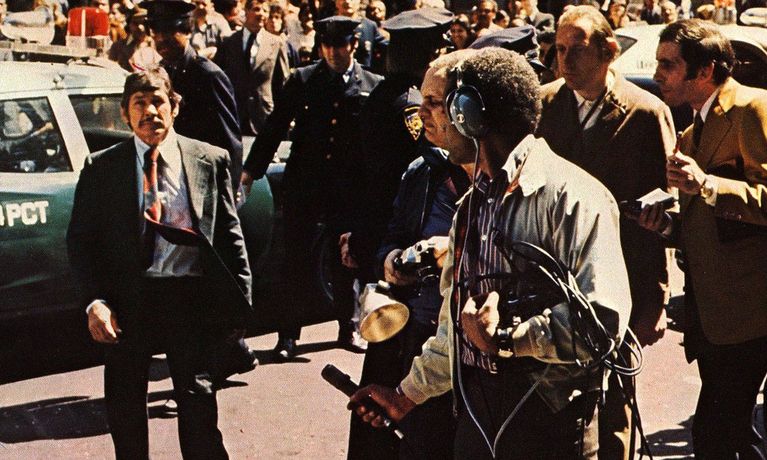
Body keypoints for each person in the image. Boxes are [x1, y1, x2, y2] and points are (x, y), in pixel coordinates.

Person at [351, 47, 631, 459]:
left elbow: (603, 322)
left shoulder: (573, 197)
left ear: (470, 113)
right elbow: (452, 330)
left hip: (549, 420)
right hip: (478, 417)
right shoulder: (471, 206)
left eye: (437, 103)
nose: (426, 115)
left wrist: (509, 338)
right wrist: (404, 396)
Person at [66, 66, 252, 460]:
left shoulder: (208, 160)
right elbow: (81, 243)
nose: (150, 111)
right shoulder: (102, 168)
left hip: (189, 298)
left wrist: (239, 306)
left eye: (158, 102)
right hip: (128, 302)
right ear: (124, 113)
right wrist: (95, 303)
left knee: (199, 407)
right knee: (125, 410)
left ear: (175, 107)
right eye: (140, 103)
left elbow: (230, 238)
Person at [536, 6, 674, 459]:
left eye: (577, 49)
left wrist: (655, 300)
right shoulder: (543, 105)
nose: (565, 60)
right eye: (559, 49)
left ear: (609, 51)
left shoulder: (645, 111)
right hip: (552, 279)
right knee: (549, 404)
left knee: (615, 403)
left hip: (621, 280)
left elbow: (664, 213)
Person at [638, 18, 767, 459]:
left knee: (716, 434)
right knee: (729, 435)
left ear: (706, 70)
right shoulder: (692, 133)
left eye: (668, 65)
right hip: (712, 317)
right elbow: (705, 224)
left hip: (750, 314)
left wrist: (708, 185)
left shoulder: (753, 110)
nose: (658, 75)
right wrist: (665, 226)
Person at [342, 9, 453, 459]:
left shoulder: (377, 95)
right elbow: (417, 168)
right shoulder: (410, 105)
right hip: (405, 242)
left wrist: (357, 235)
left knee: (383, 359)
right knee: (397, 366)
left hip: (383, 237)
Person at [241, 16, 383, 361]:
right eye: (327, 45)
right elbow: (275, 127)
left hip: (347, 189)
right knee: (296, 261)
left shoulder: (371, 84)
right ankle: (288, 335)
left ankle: (348, 326)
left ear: (354, 45)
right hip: (305, 185)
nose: (333, 52)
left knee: (344, 259)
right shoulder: (303, 80)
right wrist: (250, 172)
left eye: (341, 45)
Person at [145, 0, 243, 192]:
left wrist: (227, 194)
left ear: (187, 31)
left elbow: (230, 144)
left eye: (169, 32)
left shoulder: (208, 75)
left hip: (203, 183)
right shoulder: (161, 73)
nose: (161, 39)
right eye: (156, 33)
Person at [214, 0, 290, 136]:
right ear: (246, 11)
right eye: (257, 9)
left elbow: (283, 84)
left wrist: (282, 118)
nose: (261, 14)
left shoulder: (276, 43)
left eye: (265, 11)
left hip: (263, 116)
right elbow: (217, 79)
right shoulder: (229, 42)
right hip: (234, 115)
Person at [334, 0, 386, 69]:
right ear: (336, 2)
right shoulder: (327, 26)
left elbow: (387, 50)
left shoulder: (369, 26)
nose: (347, 1)